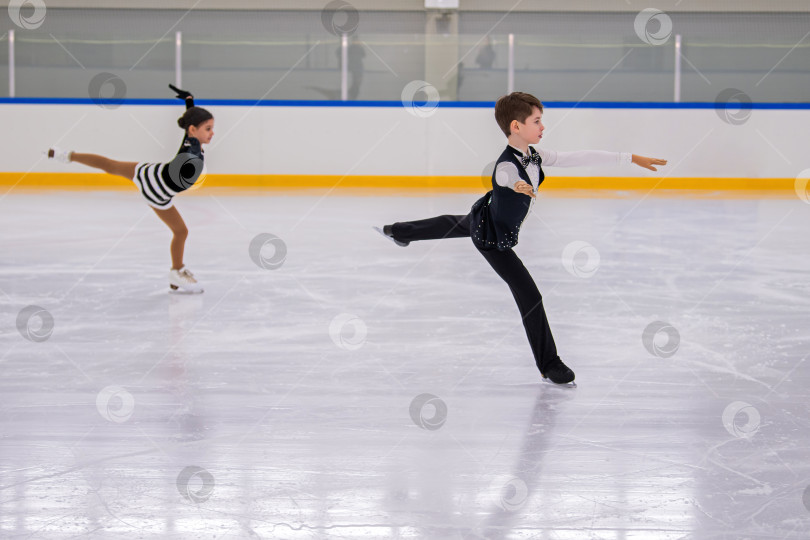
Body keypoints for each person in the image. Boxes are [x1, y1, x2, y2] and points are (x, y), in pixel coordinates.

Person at [375, 91, 667, 386]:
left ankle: (398, 231)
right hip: (491, 237)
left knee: (454, 223)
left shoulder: (535, 155)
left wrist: (629, 158)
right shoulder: (506, 164)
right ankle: (549, 364)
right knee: (530, 296)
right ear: (516, 126)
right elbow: (503, 176)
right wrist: (516, 185)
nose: (543, 127)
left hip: (485, 215)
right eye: (537, 121)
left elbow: (577, 157)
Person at [46, 84, 212, 294]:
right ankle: (176, 271)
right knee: (181, 231)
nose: (212, 133)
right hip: (159, 192)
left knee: (111, 165)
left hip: (149, 175)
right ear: (193, 130)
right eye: (208, 128)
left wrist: (189, 99)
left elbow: (190, 123)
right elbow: (189, 159)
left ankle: (65, 155)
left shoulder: (190, 140)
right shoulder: (191, 148)